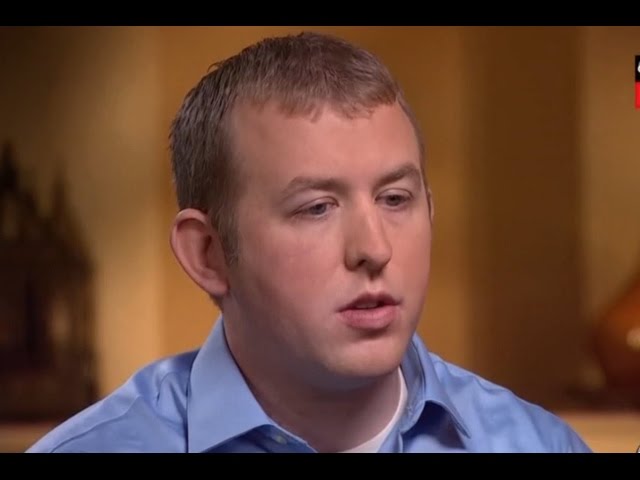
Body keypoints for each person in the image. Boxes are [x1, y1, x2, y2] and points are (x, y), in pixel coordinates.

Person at [27, 31, 592, 453]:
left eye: (396, 199)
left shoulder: (538, 445)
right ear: (207, 254)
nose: (374, 249)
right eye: (317, 207)